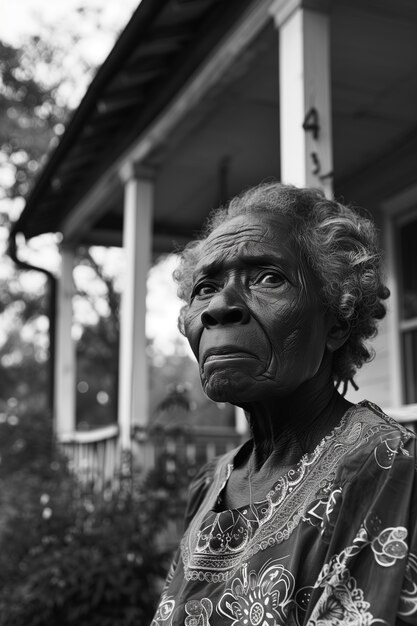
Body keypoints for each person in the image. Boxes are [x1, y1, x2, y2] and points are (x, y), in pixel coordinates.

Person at [151, 182, 417, 626]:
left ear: (336, 318)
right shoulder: (209, 486)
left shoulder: (388, 467)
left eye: (268, 278)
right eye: (206, 287)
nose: (220, 306)